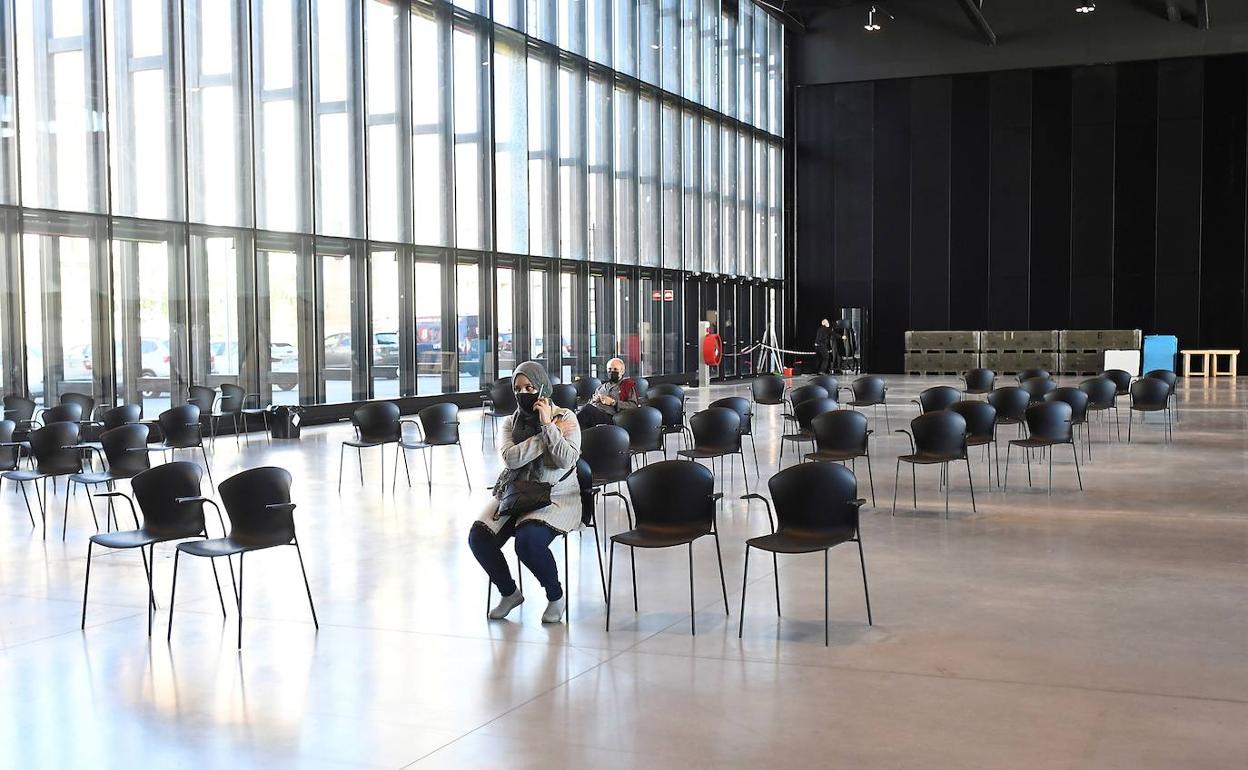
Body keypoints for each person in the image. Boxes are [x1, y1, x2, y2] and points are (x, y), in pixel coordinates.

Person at [468, 361, 581, 623]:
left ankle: (555, 596)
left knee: (527, 542)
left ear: (543, 387)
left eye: (529, 387)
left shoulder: (565, 418)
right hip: (517, 491)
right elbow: (511, 459)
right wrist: (545, 437)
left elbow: (566, 459)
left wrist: (548, 425)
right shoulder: (511, 422)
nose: (523, 393)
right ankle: (509, 593)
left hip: (556, 496)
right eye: (518, 389)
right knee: (479, 537)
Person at [576, 357, 639, 429]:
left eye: (615, 369)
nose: (612, 372)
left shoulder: (627, 386)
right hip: (594, 415)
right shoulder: (600, 388)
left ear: (622, 371)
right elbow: (590, 403)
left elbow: (633, 406)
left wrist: (613, 402)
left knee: (587, 410)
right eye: (609, 369)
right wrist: (594, 400)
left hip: (612, 418)